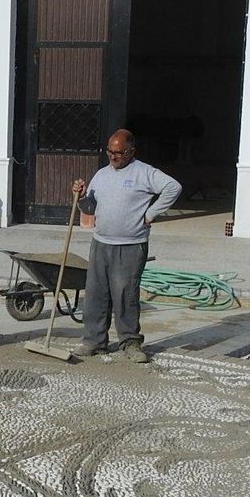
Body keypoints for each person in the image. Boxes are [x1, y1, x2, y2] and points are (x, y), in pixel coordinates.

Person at [70, 129, 182, 363]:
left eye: (119, 152)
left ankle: (130, 342)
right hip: (101, 243)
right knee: (96, 295)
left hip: (131, 245)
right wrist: (80, 197)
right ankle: (94, 341)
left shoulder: (144, 172)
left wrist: (151, 214)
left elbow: (174, 187)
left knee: (125, 295)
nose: (113, 156)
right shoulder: (101, 175)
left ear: (131, 151)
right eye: (110, 151)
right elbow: (90, 208)